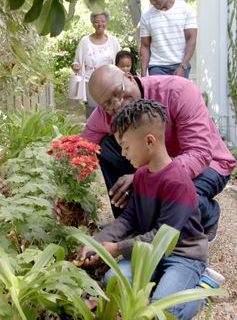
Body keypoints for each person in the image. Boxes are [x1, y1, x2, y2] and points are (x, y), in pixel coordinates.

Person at [78, 99, 207, 319]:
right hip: (149, 252)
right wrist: (97, 243)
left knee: (163, 310)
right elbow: (129, 219)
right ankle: (162, 284)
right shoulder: (140, 175)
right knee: (113, 282)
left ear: (149, 141)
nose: (123, 154)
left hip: (183, 255)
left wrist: (117, 248)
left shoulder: (178, 182)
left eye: (126, 146)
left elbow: (162, 239)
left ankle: (197, 294)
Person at [81, 64, 236, 241]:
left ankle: (208, 214)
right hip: (153, 165)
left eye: (119, 92)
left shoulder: (179, 91)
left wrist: (145, 176)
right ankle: (130, 218)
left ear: (130, 77)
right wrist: (63, 194)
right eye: (108, 104)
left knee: (175, 200)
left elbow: (199, 153)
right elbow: (81, 149)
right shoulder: (106, 113)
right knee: (106, 146)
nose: (117, 105)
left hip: (209, 164)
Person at [140, 0, 197, 79]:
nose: (153, 2)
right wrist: (143, 74)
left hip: (180, 64)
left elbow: (191, 39)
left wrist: (183, 66)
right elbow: (145, 46)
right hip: (157, 66)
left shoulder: (185, 10)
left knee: (179, 94)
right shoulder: (146, 17)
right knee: (159, 95)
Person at [72, 11, 121, 118]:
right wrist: (75, 66)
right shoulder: (85, 41)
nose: (100, 24)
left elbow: (120, 61)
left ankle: (109, 133)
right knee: (93, 110)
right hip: (89, 81)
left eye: (103, 21)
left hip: (109, 83)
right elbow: (76, 61)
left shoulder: (113, 42)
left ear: (107, 22)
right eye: (97, 21)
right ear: (93, 23)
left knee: (110, 110)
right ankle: (91, 133)